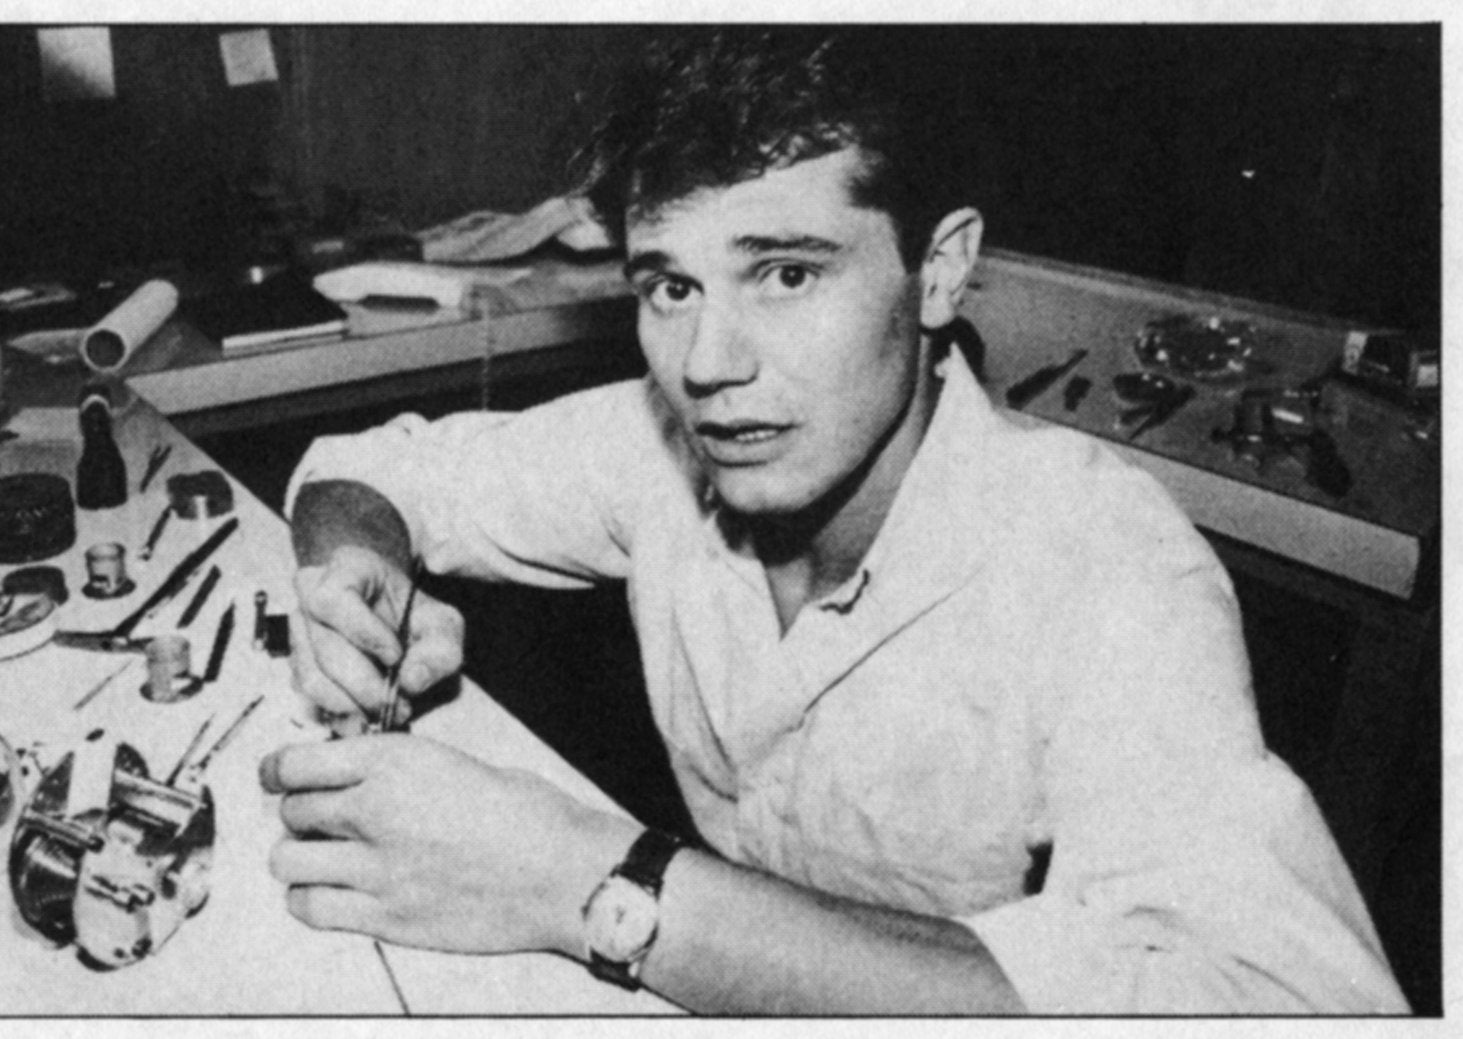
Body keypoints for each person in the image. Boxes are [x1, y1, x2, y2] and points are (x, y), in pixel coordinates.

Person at [256, 29, 1406, 1014]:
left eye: (787, 275)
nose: (709, 365)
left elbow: (1282, 1002)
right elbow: (368, 471)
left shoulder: (1102, 564)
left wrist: (585, 881)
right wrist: (357, 578)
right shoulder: (654, 447)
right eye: (670, 286)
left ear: (939, 272)